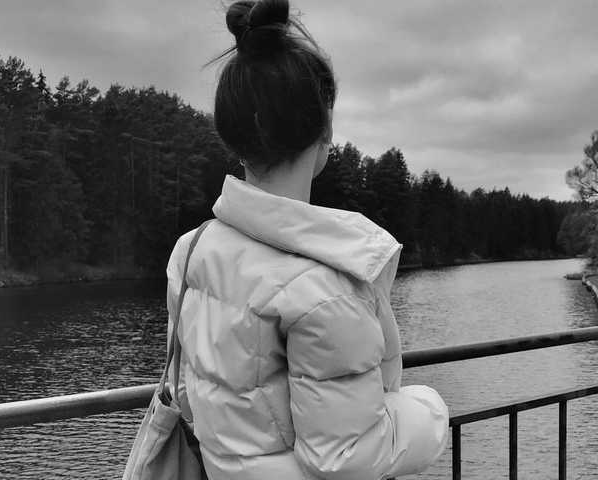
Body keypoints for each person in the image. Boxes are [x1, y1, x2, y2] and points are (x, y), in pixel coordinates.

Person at [165, 0, 449, 478]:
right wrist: (429, 410)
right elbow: (345, 456)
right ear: (326, 129)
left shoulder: (191, 251)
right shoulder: (324, 287)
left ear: (232, 134)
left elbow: (189, 394)